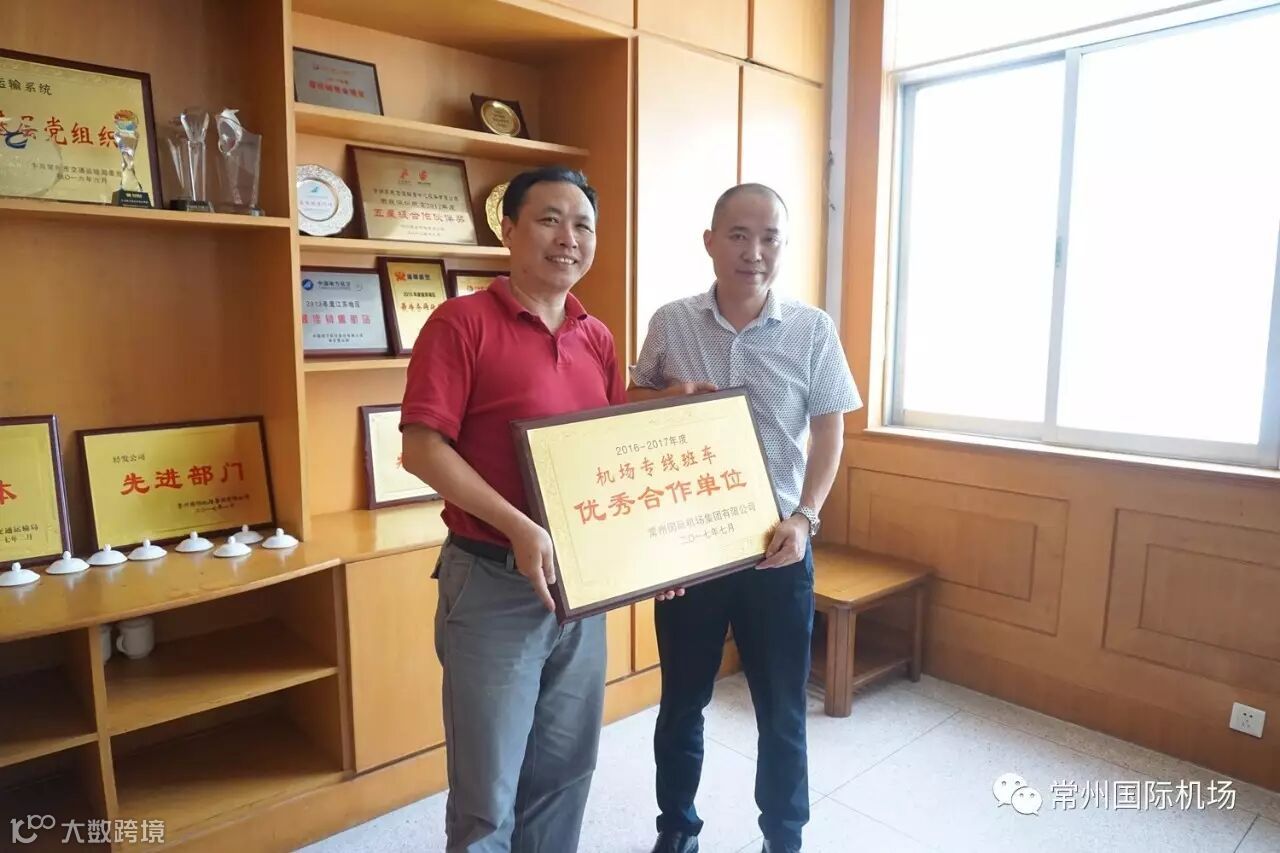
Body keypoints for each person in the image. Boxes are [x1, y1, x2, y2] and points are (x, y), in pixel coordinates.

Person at [630, 183, 862, 853]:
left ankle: (783, 837)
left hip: (778, 549)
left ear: (783, 246)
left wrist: (806, 516)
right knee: (682, 703)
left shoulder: (812, 329)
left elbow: (830, 430)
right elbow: (631, 403)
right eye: (737, 235)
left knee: (782, 710)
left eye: (769, 238)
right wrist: (669, 395)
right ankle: (677, 828)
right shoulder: (672, 322)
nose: (753, 251)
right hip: (689, 552)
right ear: (710, 241)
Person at [400, 166, 625, 852]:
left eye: (583, 224)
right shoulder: (460, 323)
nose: (569, 238)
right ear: (509, 230)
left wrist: (648, 553)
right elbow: (422, 448)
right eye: (550, 219)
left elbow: (606, 454)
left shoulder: (596, 336)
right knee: (487, 797)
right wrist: (519, 527)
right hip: (493, 580)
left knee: (564, 772)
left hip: (580, 587)